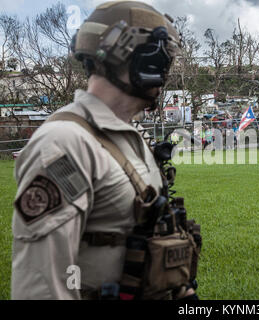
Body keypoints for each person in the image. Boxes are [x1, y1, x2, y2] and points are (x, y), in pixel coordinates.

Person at [11, 1, 199, 300]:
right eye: (162, 59)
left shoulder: (129, 135)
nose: (165, 72)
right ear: (138, 57)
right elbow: (42, 286)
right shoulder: (66, 143)